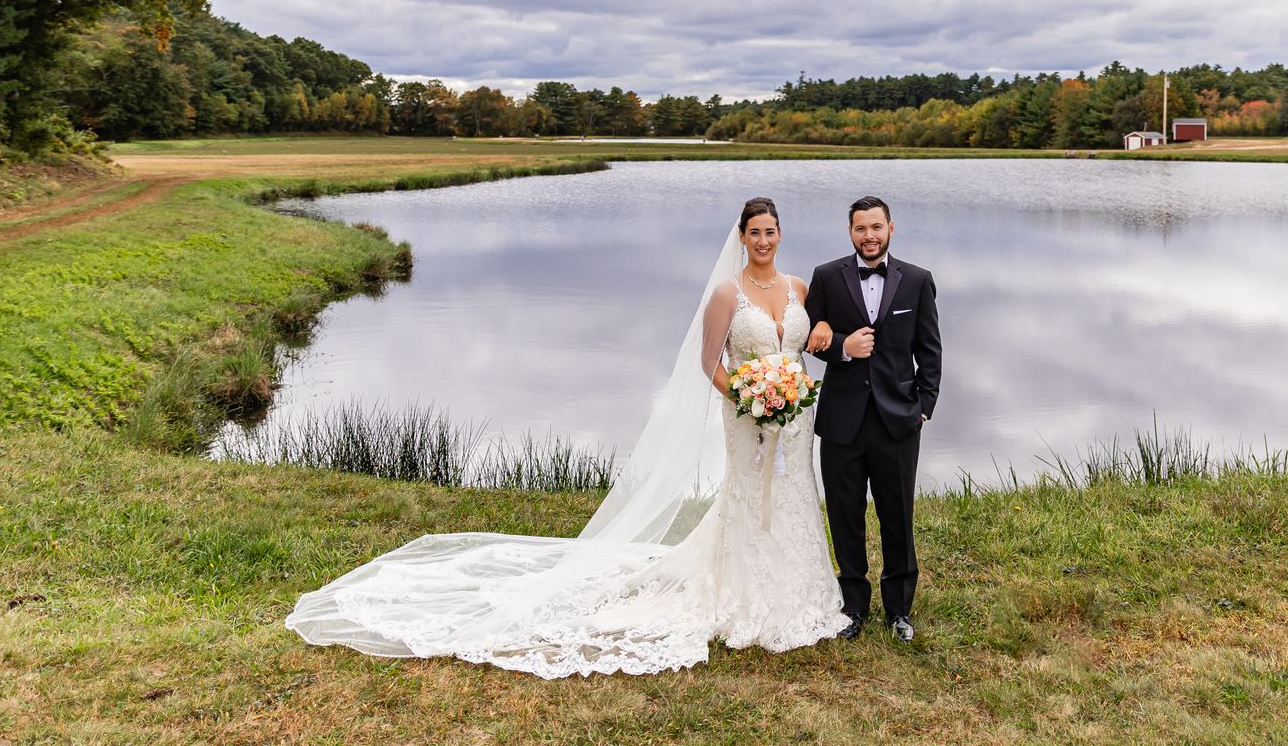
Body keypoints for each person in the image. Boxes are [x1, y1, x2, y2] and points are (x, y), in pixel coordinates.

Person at [284, 196, 847, 676]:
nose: (764, 240)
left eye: (771, 232)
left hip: (795, 421)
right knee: (749, 499)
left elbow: (809, 342)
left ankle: (802, 592)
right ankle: (745, 596)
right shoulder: (728, 294)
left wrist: (801, 369)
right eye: (755, 233)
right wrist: (749, 401)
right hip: (746, 415)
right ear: (742, 237)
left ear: (780, 234)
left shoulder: (799, 286)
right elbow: (710, 365)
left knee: (795, 495)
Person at [801, 195, 943, 642]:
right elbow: (807, 337)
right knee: (844, 515)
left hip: (898, 420)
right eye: (861, 228)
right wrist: (843, 346)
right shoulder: (825, 277)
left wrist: (922, 407)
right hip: (842, 420)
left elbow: (930, 351)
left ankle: (899, 610)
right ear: (850, 232)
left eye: (876, 227)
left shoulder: (918, 281)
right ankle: (853, 608)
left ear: (891, 229)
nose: (869, 236)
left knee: (896, 515)